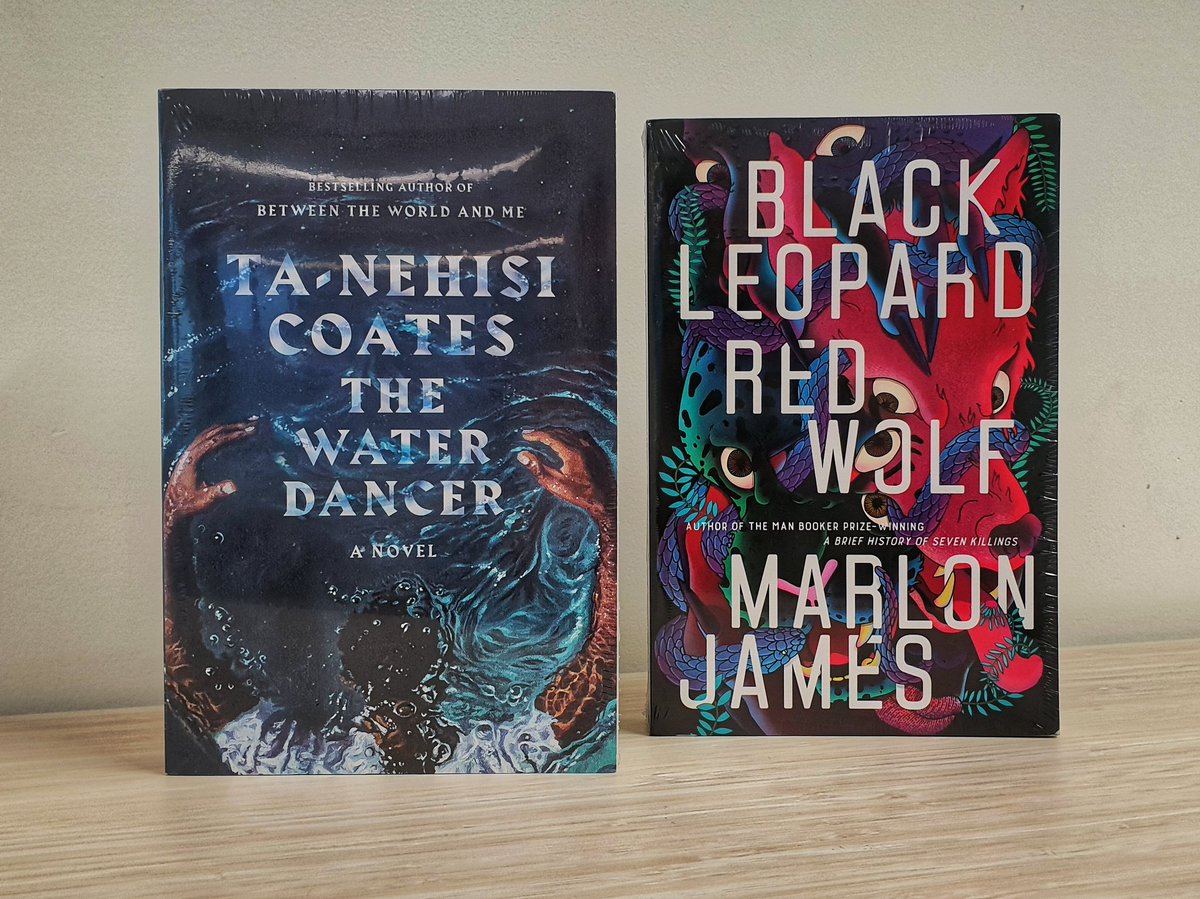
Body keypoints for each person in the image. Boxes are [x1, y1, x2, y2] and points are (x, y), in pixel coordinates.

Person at [164, 422, 616, 774]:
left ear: (346, 675)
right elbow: (602, 659)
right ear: (443, 665)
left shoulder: (290, 761)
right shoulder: (497, 760)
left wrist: (173, 523)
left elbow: (186, 666)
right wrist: (605, 513)